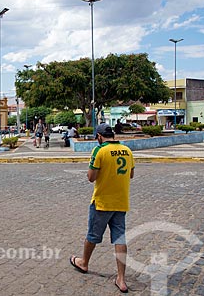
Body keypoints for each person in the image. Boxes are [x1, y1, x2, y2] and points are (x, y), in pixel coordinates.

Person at [70, 123, 135, 293]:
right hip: (121, 203)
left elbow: (91, 177)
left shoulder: (99, 151)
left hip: (102, 202)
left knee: (92, 235)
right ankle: (121, 278)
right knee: (119, 239)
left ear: (99, 136)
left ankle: (84, 262)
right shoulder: (127, 150)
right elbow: (131, 174)